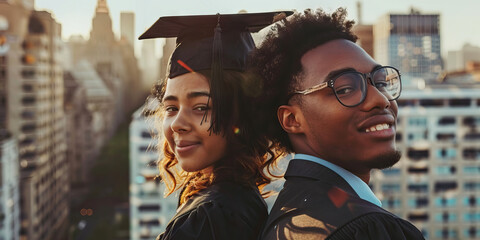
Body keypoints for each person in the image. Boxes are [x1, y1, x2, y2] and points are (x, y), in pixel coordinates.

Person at [250, 9, 425, 239]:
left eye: (380, 82)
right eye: (345, 88)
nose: (381, 100)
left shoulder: (290, 216)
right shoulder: (364, 229)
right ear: (292, 119)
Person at [138, 11, 292, 240]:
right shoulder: (235, 201)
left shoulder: (212, 218)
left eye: (201, 107)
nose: (178, 123)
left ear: (242, 115)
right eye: (171, 108)